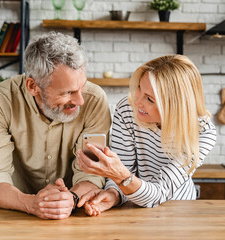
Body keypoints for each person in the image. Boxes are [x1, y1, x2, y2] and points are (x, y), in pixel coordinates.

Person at [0, 32, 112, 219]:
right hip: (13, 214)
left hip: (74, 214)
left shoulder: (95, 100)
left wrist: (70, 198)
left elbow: (93, 173)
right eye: (68, 92)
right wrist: (30, 203)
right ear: (33, 86)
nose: (80, 100)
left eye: (82, 87)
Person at [76, 55, 217, 216]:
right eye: (139, 88)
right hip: (135, 208)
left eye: (149, 99)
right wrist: (114, 194)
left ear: (174, 106)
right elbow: (125, 170)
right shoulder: (127, 111)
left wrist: (120, 176)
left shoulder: (202, 132)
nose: (137, 102)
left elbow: (158, 193)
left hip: (179, 212)